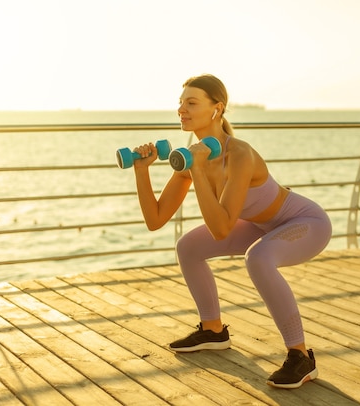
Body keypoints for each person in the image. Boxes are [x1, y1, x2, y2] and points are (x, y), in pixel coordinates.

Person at [131, 74, 332, 389]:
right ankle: (213, 331)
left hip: (305, 223)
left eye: (191, 103)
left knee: (259, 258)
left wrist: (196, 169)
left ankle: (301, 356)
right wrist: (142, 171)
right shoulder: (194, 156)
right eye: (180, 103)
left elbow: (222, 227)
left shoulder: (239, 153)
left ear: (217, 108)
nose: (181, 110)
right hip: (259, 225)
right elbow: (156, 219)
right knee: (188, 247)